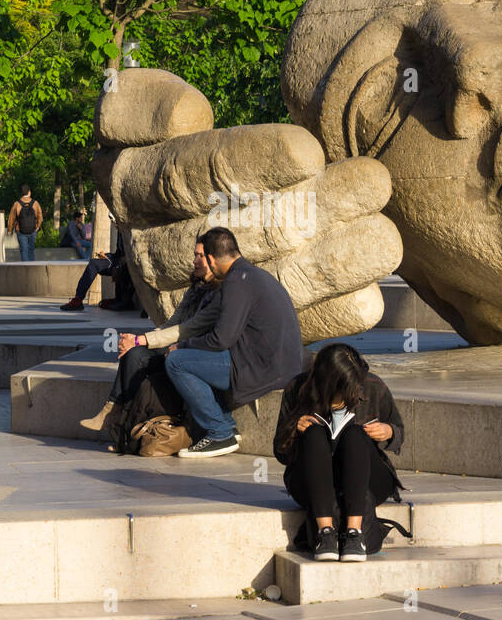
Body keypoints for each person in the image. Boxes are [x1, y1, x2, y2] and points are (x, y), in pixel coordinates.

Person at [165, 226, 303, 458]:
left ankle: (219, 432)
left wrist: (182, 346)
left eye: (202, 258)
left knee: (177, 361)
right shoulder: (254, 275)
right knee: (196, 360)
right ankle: (226, 424)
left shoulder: (235, 282)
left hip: (265, 369)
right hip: (279, 364)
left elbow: (221, 339)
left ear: (211, 258)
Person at [273, 343, 405, 562]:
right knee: (315, 434)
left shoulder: (373, 386)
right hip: (313, 478)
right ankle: (325, 533)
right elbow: (280, 453)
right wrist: (294, 430)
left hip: (365, 476)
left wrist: (388, 431)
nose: (349, 392)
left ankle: (355, 533)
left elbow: (398, 429)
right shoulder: (297, 388)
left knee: (354, 434)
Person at [82, 240, 221, 435]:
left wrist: (141, 340)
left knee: (136, 354)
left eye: (200, 256)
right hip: (178, 344)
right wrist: (138, 339)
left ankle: (119, 419)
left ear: (214, 260)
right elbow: (172, 323)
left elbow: (187, 329)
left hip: (194, 351)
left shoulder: (219, 292)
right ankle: (116, 414)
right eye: (195, 255)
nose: (194, 261)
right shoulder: (196, 288)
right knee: (133, 353)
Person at [59, 220, 125, 311]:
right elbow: (119, 253)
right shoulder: (120, 231)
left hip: (126, 264)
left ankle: (122, 299)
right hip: (117, 260)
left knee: (116, 266)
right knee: (93, 263)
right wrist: (106, 255)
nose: (115, 224)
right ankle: (78, 299)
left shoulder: (129, 231)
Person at [7, 184, 45, 262]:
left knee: (24, 250)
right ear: (29, 192)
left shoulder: (17, 204)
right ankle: (32, 268)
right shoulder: (35, 203)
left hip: (20, 231)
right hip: (33, 230)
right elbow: (40, 217)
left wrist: (10, 230)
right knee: (31, 250)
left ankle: (25, 267)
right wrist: (37, 227)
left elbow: (11, 218)